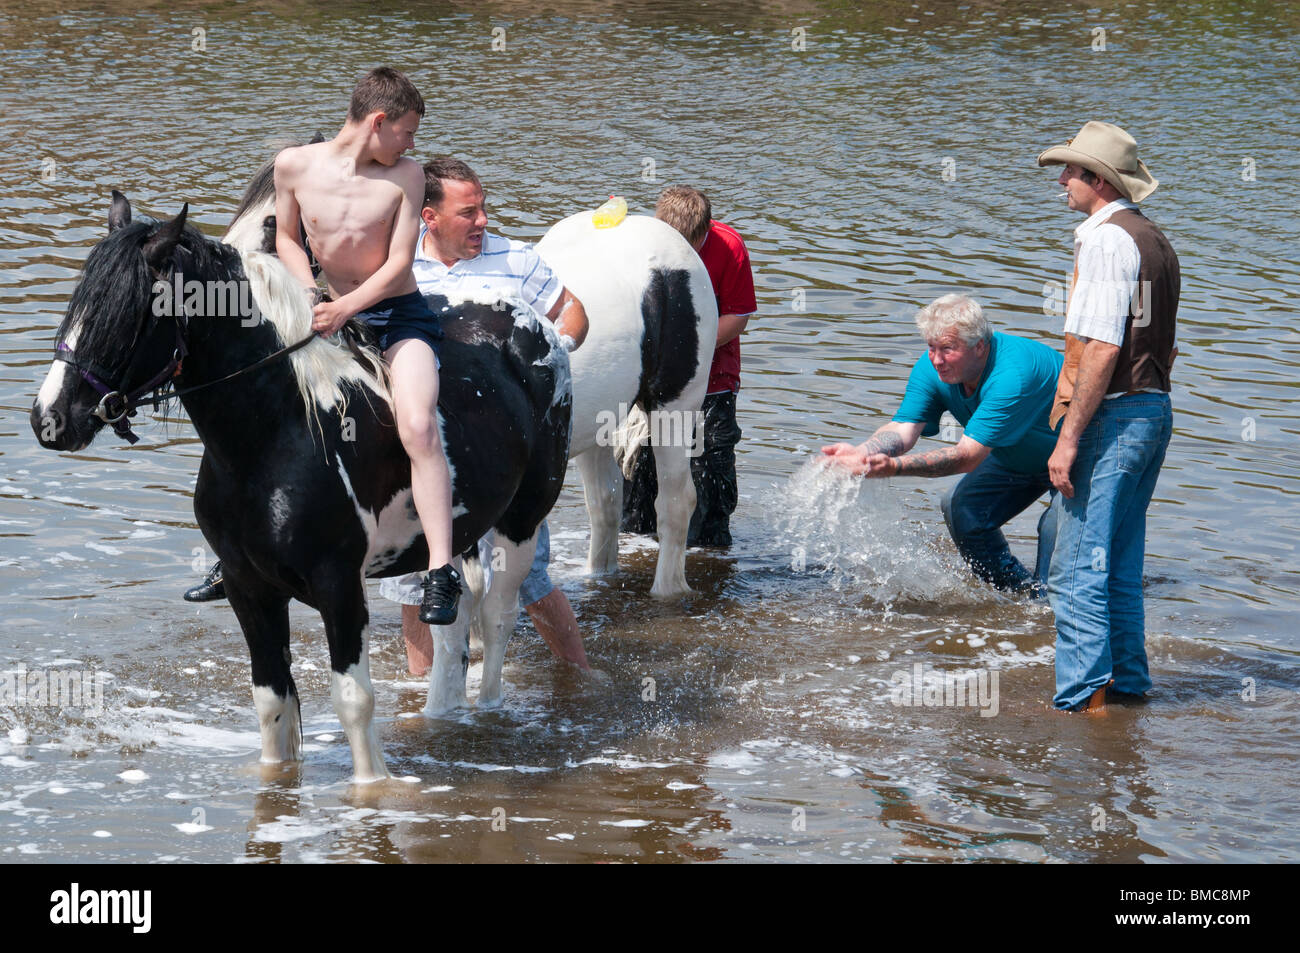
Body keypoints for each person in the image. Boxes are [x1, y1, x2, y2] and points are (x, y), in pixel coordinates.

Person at [378, 157, 590, 675]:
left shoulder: (516, 259)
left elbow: (573, 310)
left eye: (484, 208)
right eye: (468, 212)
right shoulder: (397, 266)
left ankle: (582, 675)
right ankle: (420, 694)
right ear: (428, 216)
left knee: (529, 573)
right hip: (421, 445)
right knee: (414, 580)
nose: (482, 222)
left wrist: (555, 351)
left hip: (502, 455)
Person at [1037, 121, 1179, 713]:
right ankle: (1126, 689)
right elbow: (1162, 346)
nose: (1062, 180)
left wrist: (1068, 439)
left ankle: (1082, 706)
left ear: (1098, 179)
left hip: (1114, 416)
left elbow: (1100, 348)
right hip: (1152, 408)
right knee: (1116, 562)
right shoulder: (1153, 237)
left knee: (1074, 570)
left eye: (1070, 170)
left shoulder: (1103, 240)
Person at [821, 294, 1062, 594]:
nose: (936, 359)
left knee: (1057, 534)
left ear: (980, 347)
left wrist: (894, 468)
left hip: (1080, 453)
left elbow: (967, 457)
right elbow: (904, 428)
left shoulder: (1013, 374)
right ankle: (1020, 596)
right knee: (962, 507)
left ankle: (1051, 603)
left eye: (947, 349)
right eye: (931, 347)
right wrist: (864, 453)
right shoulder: (933, 368)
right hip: (1017, 452)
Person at [621, 186, 757, 547]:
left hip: (712, 381)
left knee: (710, 471)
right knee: (638, 474)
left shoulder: (729, 247)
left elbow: (738, 317)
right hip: (647, 384)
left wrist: (683, 352)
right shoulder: (639, 243)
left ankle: (710, 555)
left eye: (689, 247)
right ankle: (636, 553)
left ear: (705, 232)